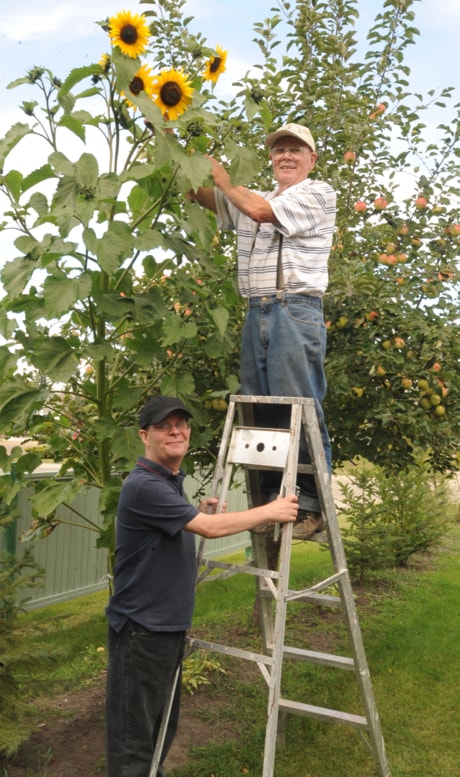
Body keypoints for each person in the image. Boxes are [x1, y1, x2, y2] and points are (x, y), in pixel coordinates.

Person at [105, 394, 298, 777]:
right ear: (145, 436)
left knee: (159, 734)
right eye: (164, 426)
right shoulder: (144, 485)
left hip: (163, 628)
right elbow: (208, 529)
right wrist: (272, 510)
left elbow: (182, 528)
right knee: (134, 745)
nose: (176, 431)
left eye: (181, 424)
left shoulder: (167, 481)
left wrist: (196, 512)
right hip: (142, 630)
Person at [188, 123, 337, 539]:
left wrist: (223, 179)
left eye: (295, 150)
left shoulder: (317, 193)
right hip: (257, 309)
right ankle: (272, 499)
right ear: (271, 158)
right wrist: (178, 149)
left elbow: (257, 211)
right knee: (262, 408)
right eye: (279, 150)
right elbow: (202, 195)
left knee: (297, 403)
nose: (285, 156)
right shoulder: (254, 195)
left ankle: (312, 505)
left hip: (295, 308)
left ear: (312, 159)